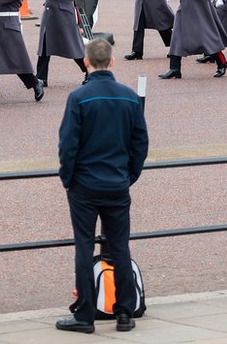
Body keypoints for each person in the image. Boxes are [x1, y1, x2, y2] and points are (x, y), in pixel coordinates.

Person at [55, 38, 148, 335]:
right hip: (117, 183)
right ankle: (124, 312)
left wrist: (68, 178)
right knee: (119, 247)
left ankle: (85, 314)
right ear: (112, 62)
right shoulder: (130, 97)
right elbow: (140, 143)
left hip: (84, 184)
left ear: (86, 62)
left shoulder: (78, 97)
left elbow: (68, 145)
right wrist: (129, 175)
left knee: (84, 247)